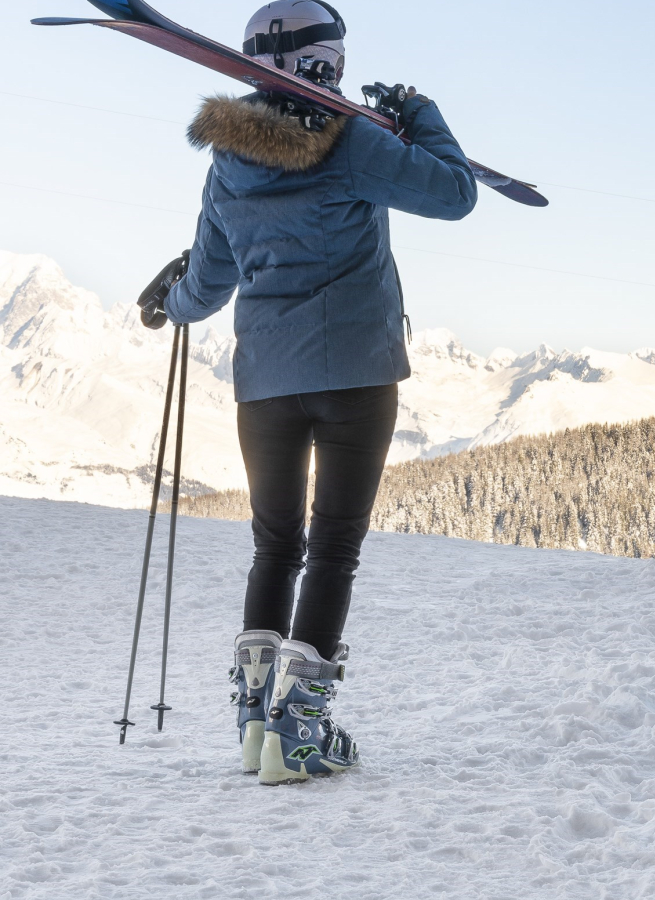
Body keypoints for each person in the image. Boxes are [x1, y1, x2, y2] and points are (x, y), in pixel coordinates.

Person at [139, 0, 477, 785]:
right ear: (323, 65)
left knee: (275, 546)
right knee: (332, 550)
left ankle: (258, 723)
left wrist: (170, 302)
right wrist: (420, 115)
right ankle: (300, 736)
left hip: (264, 386)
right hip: (357, 376)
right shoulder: (354, 143)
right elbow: (455, 193)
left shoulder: (226, 161)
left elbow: (210, 283)